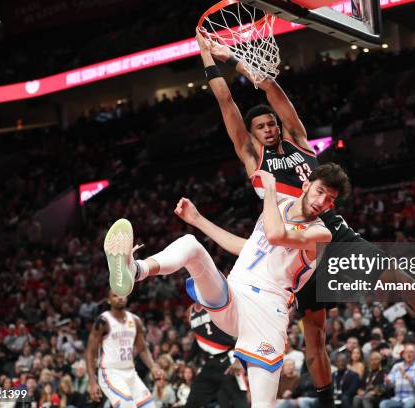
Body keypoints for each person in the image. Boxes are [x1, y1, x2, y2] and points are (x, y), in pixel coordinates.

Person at [195, 29, 415, 406]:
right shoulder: (253, 159)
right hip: (293, 248)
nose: (268, 129)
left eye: (271, 123)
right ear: (250, 136)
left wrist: (232, 57)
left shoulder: (300, 141)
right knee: (315, 337)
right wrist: (207, 57)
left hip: (330, 231)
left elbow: (271, 89)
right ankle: (327, 402)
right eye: (260, 127)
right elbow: (225, 100)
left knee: (398, 275)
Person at [103, 164, 350, 407]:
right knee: (190, 244)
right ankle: (135, 270)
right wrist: (198, 219)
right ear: (306, 185)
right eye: (320, 191)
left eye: (330, 200)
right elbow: (246, 248)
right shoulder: (277, 207)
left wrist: (272, 189)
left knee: (263, 404)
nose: (323, 202)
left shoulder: (321, 233)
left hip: (267, 312)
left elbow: (276, 235)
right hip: (233, 294)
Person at [85, 291, 162, 408]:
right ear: (109, 300)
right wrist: (92, 380)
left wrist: (153, 366)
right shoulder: (103, 321)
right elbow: (90, 352)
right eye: (115, 296)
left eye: (122, 294)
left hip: (130, 372)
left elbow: (142, 348)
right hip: (110, 373)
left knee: (150, 406)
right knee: (127, 405)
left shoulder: (135, 320)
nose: (120, 298)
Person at [185, 303, 247, 408]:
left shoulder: (217, 301)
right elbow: (198, 338)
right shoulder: (190, 311)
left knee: (238, 402)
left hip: (229, 359)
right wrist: (186, 361)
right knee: (193, 401)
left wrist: (239, 359)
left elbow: (239, 330)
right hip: (210, 363)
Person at [381, 343, 415, 408]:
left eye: (411, 352)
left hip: (412, 397)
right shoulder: (397, 366)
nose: (409, 354)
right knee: (383, 404)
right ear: (403, 355)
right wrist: (387, 381)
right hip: (397, 398)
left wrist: (408, 377)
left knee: (408, 405)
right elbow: (389, 382)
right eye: (406, 352)